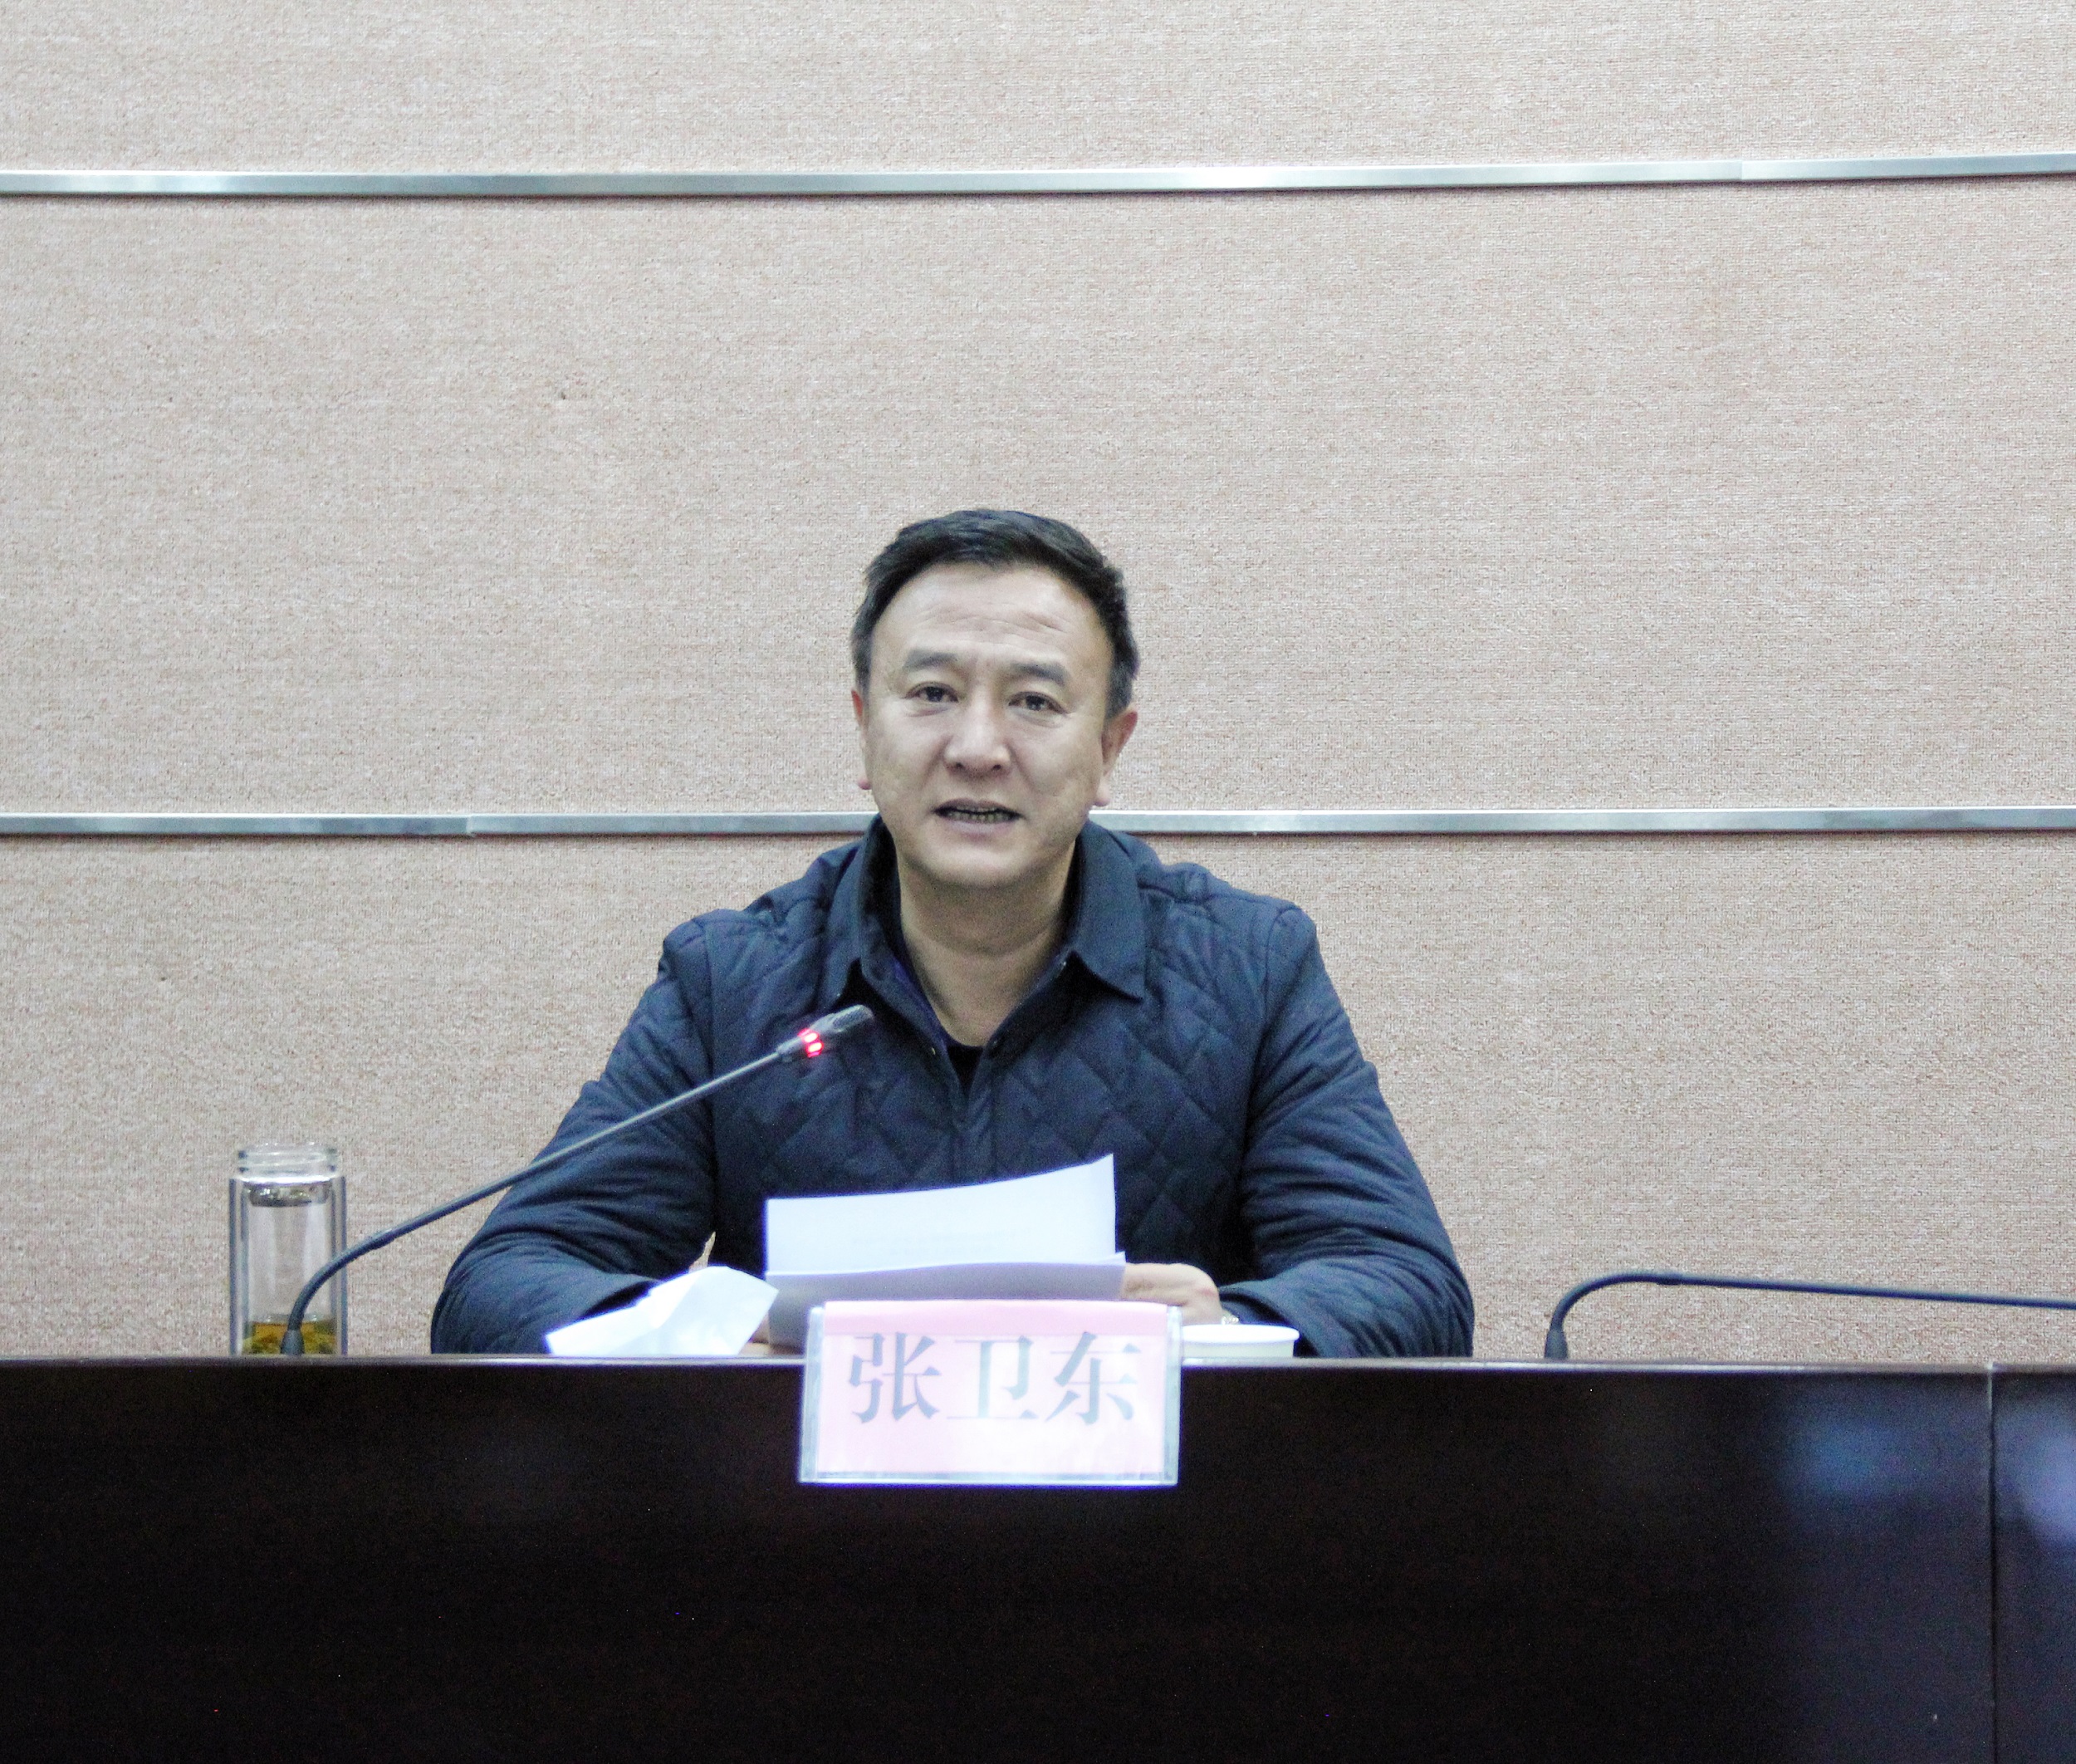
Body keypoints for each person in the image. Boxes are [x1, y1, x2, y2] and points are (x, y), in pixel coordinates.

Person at [433, 510, 1471, 1356]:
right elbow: (505, 1286)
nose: (977, 747)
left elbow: (1407, 1286)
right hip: (809, 1528)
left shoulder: (1245, 969)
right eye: (931, 694)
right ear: (864, 728)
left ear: (1109, 748)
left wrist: (1229, 1329)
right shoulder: (732, 981)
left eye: (1034, 702)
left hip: (1136, 1528)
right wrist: (700, 1334)